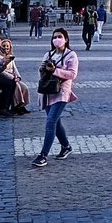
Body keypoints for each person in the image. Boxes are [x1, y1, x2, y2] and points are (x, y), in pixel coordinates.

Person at [31, 28, 79, 168]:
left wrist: (55, 70)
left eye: (59, 36)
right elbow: (42, 72)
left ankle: (43, 155)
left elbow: (72, 74)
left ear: (66, 39)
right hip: (47, 91)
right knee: (56, 122)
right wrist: (43, 69)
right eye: (54, 37)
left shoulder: (71, 55)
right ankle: (66, 146)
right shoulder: (48, 54)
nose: (56, 39)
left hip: (61, 91)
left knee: (50, 121)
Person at [0, 38, 31, 114]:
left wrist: (18, 77)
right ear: (0, 47)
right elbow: (1, 72)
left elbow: (15, 69)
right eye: (4, 46)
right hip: (6, 78)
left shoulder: (10, 57)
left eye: (7, 46)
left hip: (14, 77)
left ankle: (22, 105)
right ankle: (16, 106)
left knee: (24, 87)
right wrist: (13, 78)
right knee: (17, 87)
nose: (6, 47)